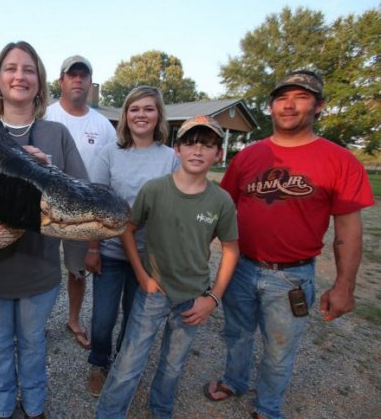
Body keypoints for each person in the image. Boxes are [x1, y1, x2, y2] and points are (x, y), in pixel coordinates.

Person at [203, 70, 375, 419]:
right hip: (241, 268)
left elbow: (348, 230)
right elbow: (220, 212)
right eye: (282, 98)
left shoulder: (339, 160)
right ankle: (234, 380)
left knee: (279, 350)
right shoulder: (249, 156)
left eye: (300, 97)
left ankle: (267, 407)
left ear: (320, 106)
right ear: (271, 107)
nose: (289, 105)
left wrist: (344, 286)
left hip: (292, 278)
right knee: (236, 334)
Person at [0, 41, 88, 419]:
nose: (20, 76)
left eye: (29, 69)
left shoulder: (56, 136)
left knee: (33, 343)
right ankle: (2, 409)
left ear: (40, 81)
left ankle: (34, 409)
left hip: (38, 269)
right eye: (11, 68)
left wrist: (46, 171)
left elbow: (80, 198)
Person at [94, 116, 240, 419]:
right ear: (177, 149)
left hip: (193, 297)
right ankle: (108, 414)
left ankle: (160, 410)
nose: (198, 151)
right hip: (153, 292)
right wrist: (142, 275)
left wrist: (212, 298)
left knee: (173, 364)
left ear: (219, 154)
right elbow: (127, 229)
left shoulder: (221, 201)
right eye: (190, 143)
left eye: (208, 145)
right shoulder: (155, 190)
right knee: (129, 362)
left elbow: (231, 249)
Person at [84, 86, 179, 397]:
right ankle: (99, 362)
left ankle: (122, 368)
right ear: (125, 115)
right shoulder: (110, 153)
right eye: (135, 108)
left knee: (134, 319)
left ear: (158, 116)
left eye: (149, 109)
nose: (141, 115)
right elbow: (96, 205)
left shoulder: (170, 159)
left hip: (150, 257)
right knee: (102, 320)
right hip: (110, 252)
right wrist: (93, 247)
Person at [45, 55, 116, 350]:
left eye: (82, 75)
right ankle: (36, 323)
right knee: (41, 268)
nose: (77, 79)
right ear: (61, 81)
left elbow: (111, 171)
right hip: (45, 210)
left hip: (82, 216)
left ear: (90, 82)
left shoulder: (103, 126)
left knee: (78, 270)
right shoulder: (44, 116)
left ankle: (73, 319)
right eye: (71, 74)